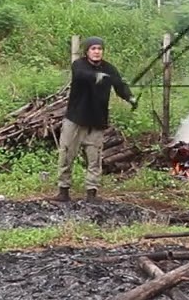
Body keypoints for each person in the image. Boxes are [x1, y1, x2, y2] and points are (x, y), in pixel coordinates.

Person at [56, 37, 138, 202]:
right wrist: (98, 76)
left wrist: (130, 97)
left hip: (96, 121)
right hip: (75, 120)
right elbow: (81, 75)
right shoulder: (79, 65)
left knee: (94, 160)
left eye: (99, 49)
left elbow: (119, 85)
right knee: (66, 156)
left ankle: (91, 193)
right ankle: (63, 191)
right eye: (93, 48)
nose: (96, 51)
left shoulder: (109, 68)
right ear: (87, 51)